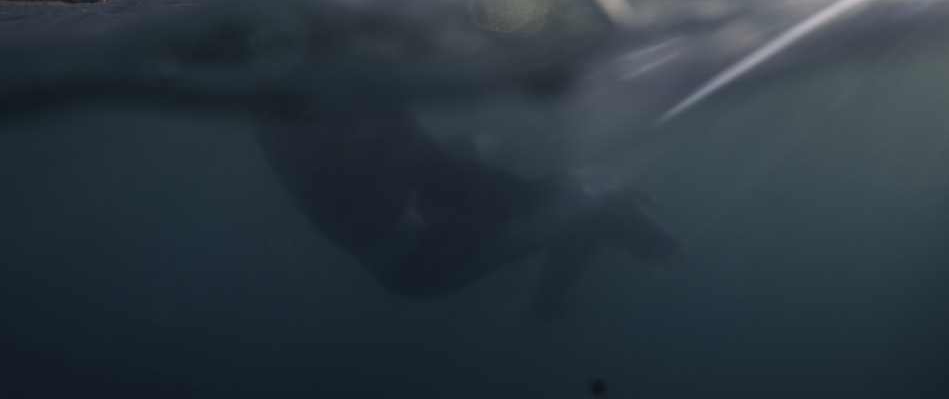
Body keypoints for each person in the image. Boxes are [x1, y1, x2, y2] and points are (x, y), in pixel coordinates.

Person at [255, 106, 679, 315]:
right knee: (590, 194)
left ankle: (557, 264)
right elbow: (433, 173)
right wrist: (567, 198)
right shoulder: (349, 87)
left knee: (571, 191)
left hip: (408, 250)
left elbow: (382, 175)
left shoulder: (274, 107)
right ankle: (550, 299)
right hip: (425, 261)